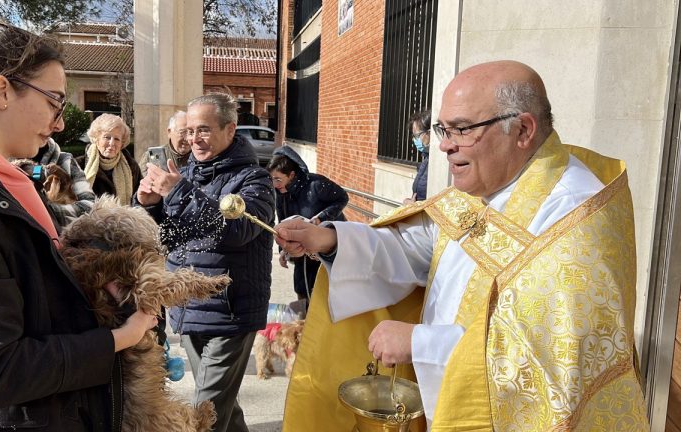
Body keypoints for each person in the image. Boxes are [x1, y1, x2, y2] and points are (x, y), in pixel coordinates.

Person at [275, 60, 649, 431]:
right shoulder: (491, 184)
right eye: (442, 129)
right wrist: (330, 239)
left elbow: (549, 361)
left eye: (461, 129)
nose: (444, 146)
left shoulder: (573, 216)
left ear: (522, 130)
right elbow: (423, 248)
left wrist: (421, 344)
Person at [0, 14, 157, 432]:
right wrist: (117, 340)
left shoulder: (0, 184)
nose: (60, 122)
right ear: (2, 91)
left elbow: (29, 304)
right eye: (54, 101)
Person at [137, 92, 275, 432]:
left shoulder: (255, 179)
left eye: (203, 129)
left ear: (230, 130)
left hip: (230, 314)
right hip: (188, 309)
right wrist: (150, 205)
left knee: (203, 416)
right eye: (189, 130)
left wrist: (179, 193)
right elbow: (168, 238)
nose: (193, 138)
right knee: (221, 411)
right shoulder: (186, 174)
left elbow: (239, 230)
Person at [266, 146, 348, 305]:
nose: (275, 184)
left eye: (278, 179)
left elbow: (342, 198)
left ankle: (322, 326)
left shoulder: (315, 184)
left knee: (323, 293)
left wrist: (321, 218)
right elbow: (283, 222)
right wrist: (283, 250)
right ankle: (302, 326)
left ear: (291, 175)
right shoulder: (281, 194)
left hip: (326, 249)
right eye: (272, 179)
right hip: (302, 253)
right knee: (301, 289)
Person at [30, 137, 95, 226]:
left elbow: (90, 205)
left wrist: (48, 211)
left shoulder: (65, 159)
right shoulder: (9, 163)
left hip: (61, 233)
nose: (60, 126)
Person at [79, 113, 141, 205]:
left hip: (123, 218)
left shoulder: (132, 166)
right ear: (96, 139)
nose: (111, 143)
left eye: (117, 139)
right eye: (107, 137)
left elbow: (138, 202)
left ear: (122, 143)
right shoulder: (79, 164)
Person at [138, 110, 191, 174]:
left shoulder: (199, 157)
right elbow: (140, 181)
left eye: (191, 132)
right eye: (182, 132)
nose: (187, 138)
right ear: (169, 132)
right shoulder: (151, 156)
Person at [403, 110, 430, 204]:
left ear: (429, 132)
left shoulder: (438, 163)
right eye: (413, 136)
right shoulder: (426, 160)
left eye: (417, 135)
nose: (415, 140)